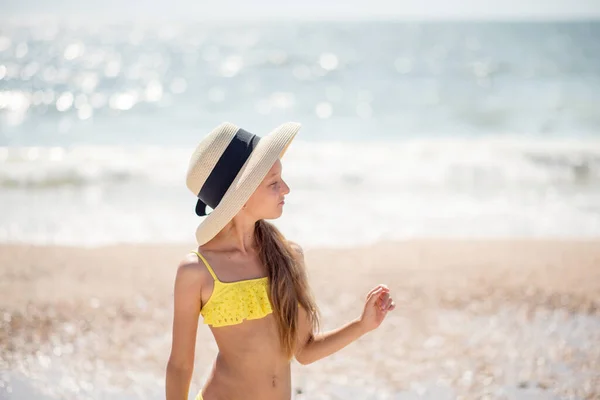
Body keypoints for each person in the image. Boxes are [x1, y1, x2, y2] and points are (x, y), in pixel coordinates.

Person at [165, 122, 395, 400]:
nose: (286, 189)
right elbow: (179, 366)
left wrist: (362, 325)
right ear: (240, 197)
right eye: (274, 183)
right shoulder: (197, 272)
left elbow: (305, 351)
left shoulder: (288, 256)